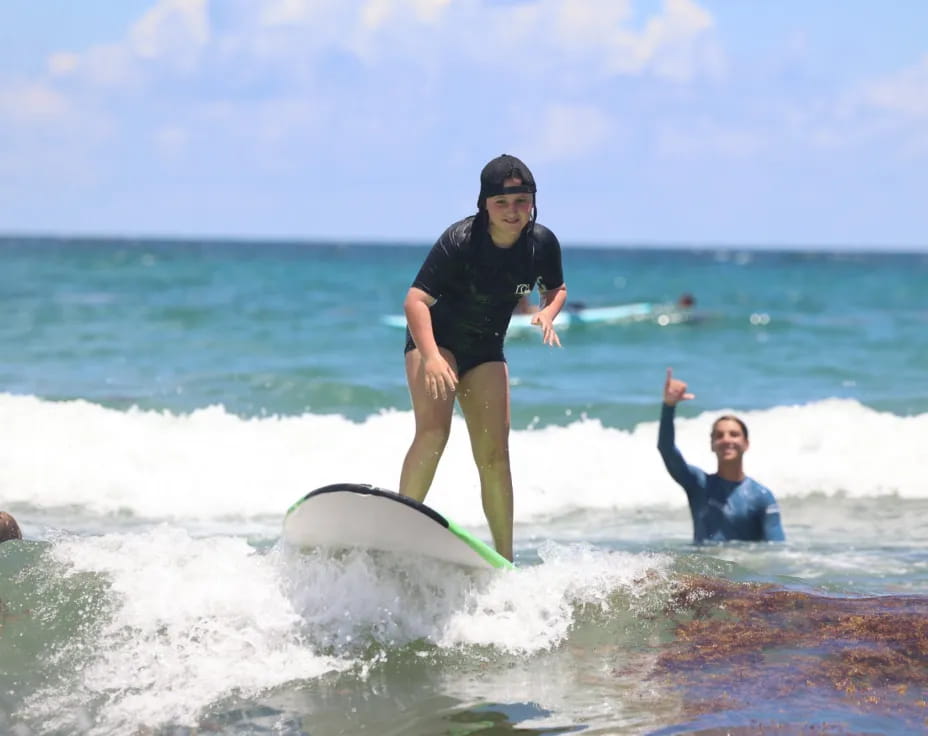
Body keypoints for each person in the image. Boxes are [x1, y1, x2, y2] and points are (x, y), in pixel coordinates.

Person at [399, 154, 567, 561]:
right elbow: (415, 300)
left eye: (522, 201)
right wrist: (433, 356)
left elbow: (556, 288)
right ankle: (398, 531)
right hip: (437, 342)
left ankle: (504, 559)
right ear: (485, 204)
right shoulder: (460, 240)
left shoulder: (541, 242)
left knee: (495, 454)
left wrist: (547, 311)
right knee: (434, 433)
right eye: (502, 203)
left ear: (532, 202)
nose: (513, 212)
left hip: (486, 346)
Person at [658, 368, 785, 543]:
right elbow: (666, 449)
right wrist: (669, 406)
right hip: (702, 570)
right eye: (719, 435)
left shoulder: (761, 496)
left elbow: (776, 550)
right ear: (712, 445)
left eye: (734, 434)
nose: (726, 440)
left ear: (746, 443)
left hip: (742, 568)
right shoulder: (698, 484)